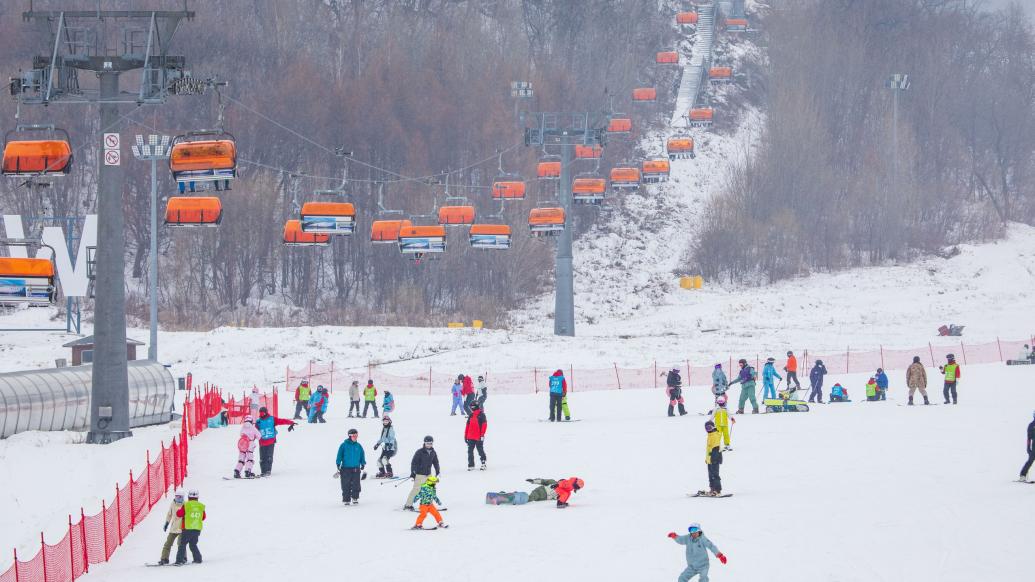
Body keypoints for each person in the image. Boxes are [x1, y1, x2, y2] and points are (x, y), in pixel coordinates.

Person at [255, 406, 296, 477]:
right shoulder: (258, 422)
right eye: (260, 413)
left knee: (269, 456)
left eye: (263, 413)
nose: (261, 414)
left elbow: (281, 421)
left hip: (271, 441)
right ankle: (263, 471)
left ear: (266, 412)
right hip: (262, 442)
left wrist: (290, 422)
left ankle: (268, 471)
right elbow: (254, 431)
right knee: (262, 458)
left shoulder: (272, 419)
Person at [404, 435, 441, 511]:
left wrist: (437, 471)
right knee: (416, 490)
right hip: (420, 475)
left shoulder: (433, 452)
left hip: (428, 475)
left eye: (430, 443)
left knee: (430, 490)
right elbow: (414, 463)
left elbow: (436, 462)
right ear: (424, 443)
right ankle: (408, 505)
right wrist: (413, 472)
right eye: (427, 443)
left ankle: (428, 505)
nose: (429, 445)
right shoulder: (419, 452)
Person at [173, 489, 205, 565]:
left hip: (187, 528)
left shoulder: (186, 505)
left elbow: (179, 514)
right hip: (197, 529)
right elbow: (203, 517)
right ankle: (198, 559)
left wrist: (179, 511)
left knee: (182, 544)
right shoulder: (201, 506)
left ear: (189, 497)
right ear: (197, 497)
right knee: (193, 544)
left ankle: (179, 560)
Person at [335, 428, 366, 505]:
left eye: (356, 436)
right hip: (345, 469)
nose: (355, 437)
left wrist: (362, 463)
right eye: (354, 436)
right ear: (349, 436)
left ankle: (355, 497)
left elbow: (362, 455)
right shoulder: (343, 445)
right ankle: (346, 499)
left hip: (356, 468)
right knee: (346, 484)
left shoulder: (358, 446)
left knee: (356, 484)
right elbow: (339, 455)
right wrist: (338, 463)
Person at [156, 491, 184, 565]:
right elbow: (169, 514)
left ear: (183, 498)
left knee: (181, 544)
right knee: (168, 544)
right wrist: (166, 523)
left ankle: (183, 557)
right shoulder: (173, 504)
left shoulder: (185, 505)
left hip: (182, 528)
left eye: (180, 497)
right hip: (174, 528)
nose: (178, 498)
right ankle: (164, 558)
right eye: (177, 497)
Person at [465, 400, 488, 470]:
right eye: (471, 406)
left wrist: (482, 435)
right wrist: (466, 436)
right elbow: (467, 426)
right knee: (470, 451)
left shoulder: (482, 415)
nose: (472, 408)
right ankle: (471, 465)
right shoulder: (471, 415)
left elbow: (484, 425)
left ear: (476, 406)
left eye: (473, 406)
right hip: (470, 437)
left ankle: (483, 463)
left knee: (480, 450)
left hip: (478, 437)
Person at [703, 420, 723, 496]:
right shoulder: (710, 435)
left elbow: (716, 449)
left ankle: (717, 490)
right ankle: (712, 489)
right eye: (706, 428)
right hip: (710, 460)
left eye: (709, 428)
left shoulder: (715, 435)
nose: (708, 430)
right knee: (710, 475)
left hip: (714, 459)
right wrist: (707, 459)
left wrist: (713, 459)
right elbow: (709, 449)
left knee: (715, 475)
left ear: (713, 427)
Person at [1020, 411, 1035, 482]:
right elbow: (1029, 438)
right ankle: (1023, 475)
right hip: (1034, 447)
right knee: (1030, 461)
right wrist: (1028, 448)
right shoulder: (1031, 425)